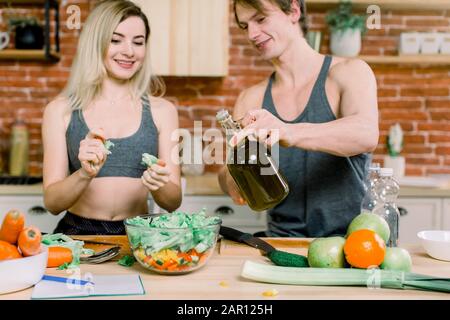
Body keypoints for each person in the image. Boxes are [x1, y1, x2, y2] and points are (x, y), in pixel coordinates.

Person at [218, 0, 379, 237]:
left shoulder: (349, 72)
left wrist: (287, 131)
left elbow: (366, 134)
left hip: (352, 244)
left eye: (260, 19)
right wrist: (238, 168)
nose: (252, 34)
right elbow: (230, 183)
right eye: (244, 26)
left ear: (294, 10)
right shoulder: (250, 99)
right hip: (282, 244)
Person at [42, 0, 182, 235]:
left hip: (140, 234)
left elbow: (173, 201)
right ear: (96, 42)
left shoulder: (163, 111)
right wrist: (85, 173)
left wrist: (159, 185)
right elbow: (53, 203)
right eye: (116, 40)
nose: (129, 51)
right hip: (77, 232)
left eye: (138, 42)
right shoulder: (60, 111)